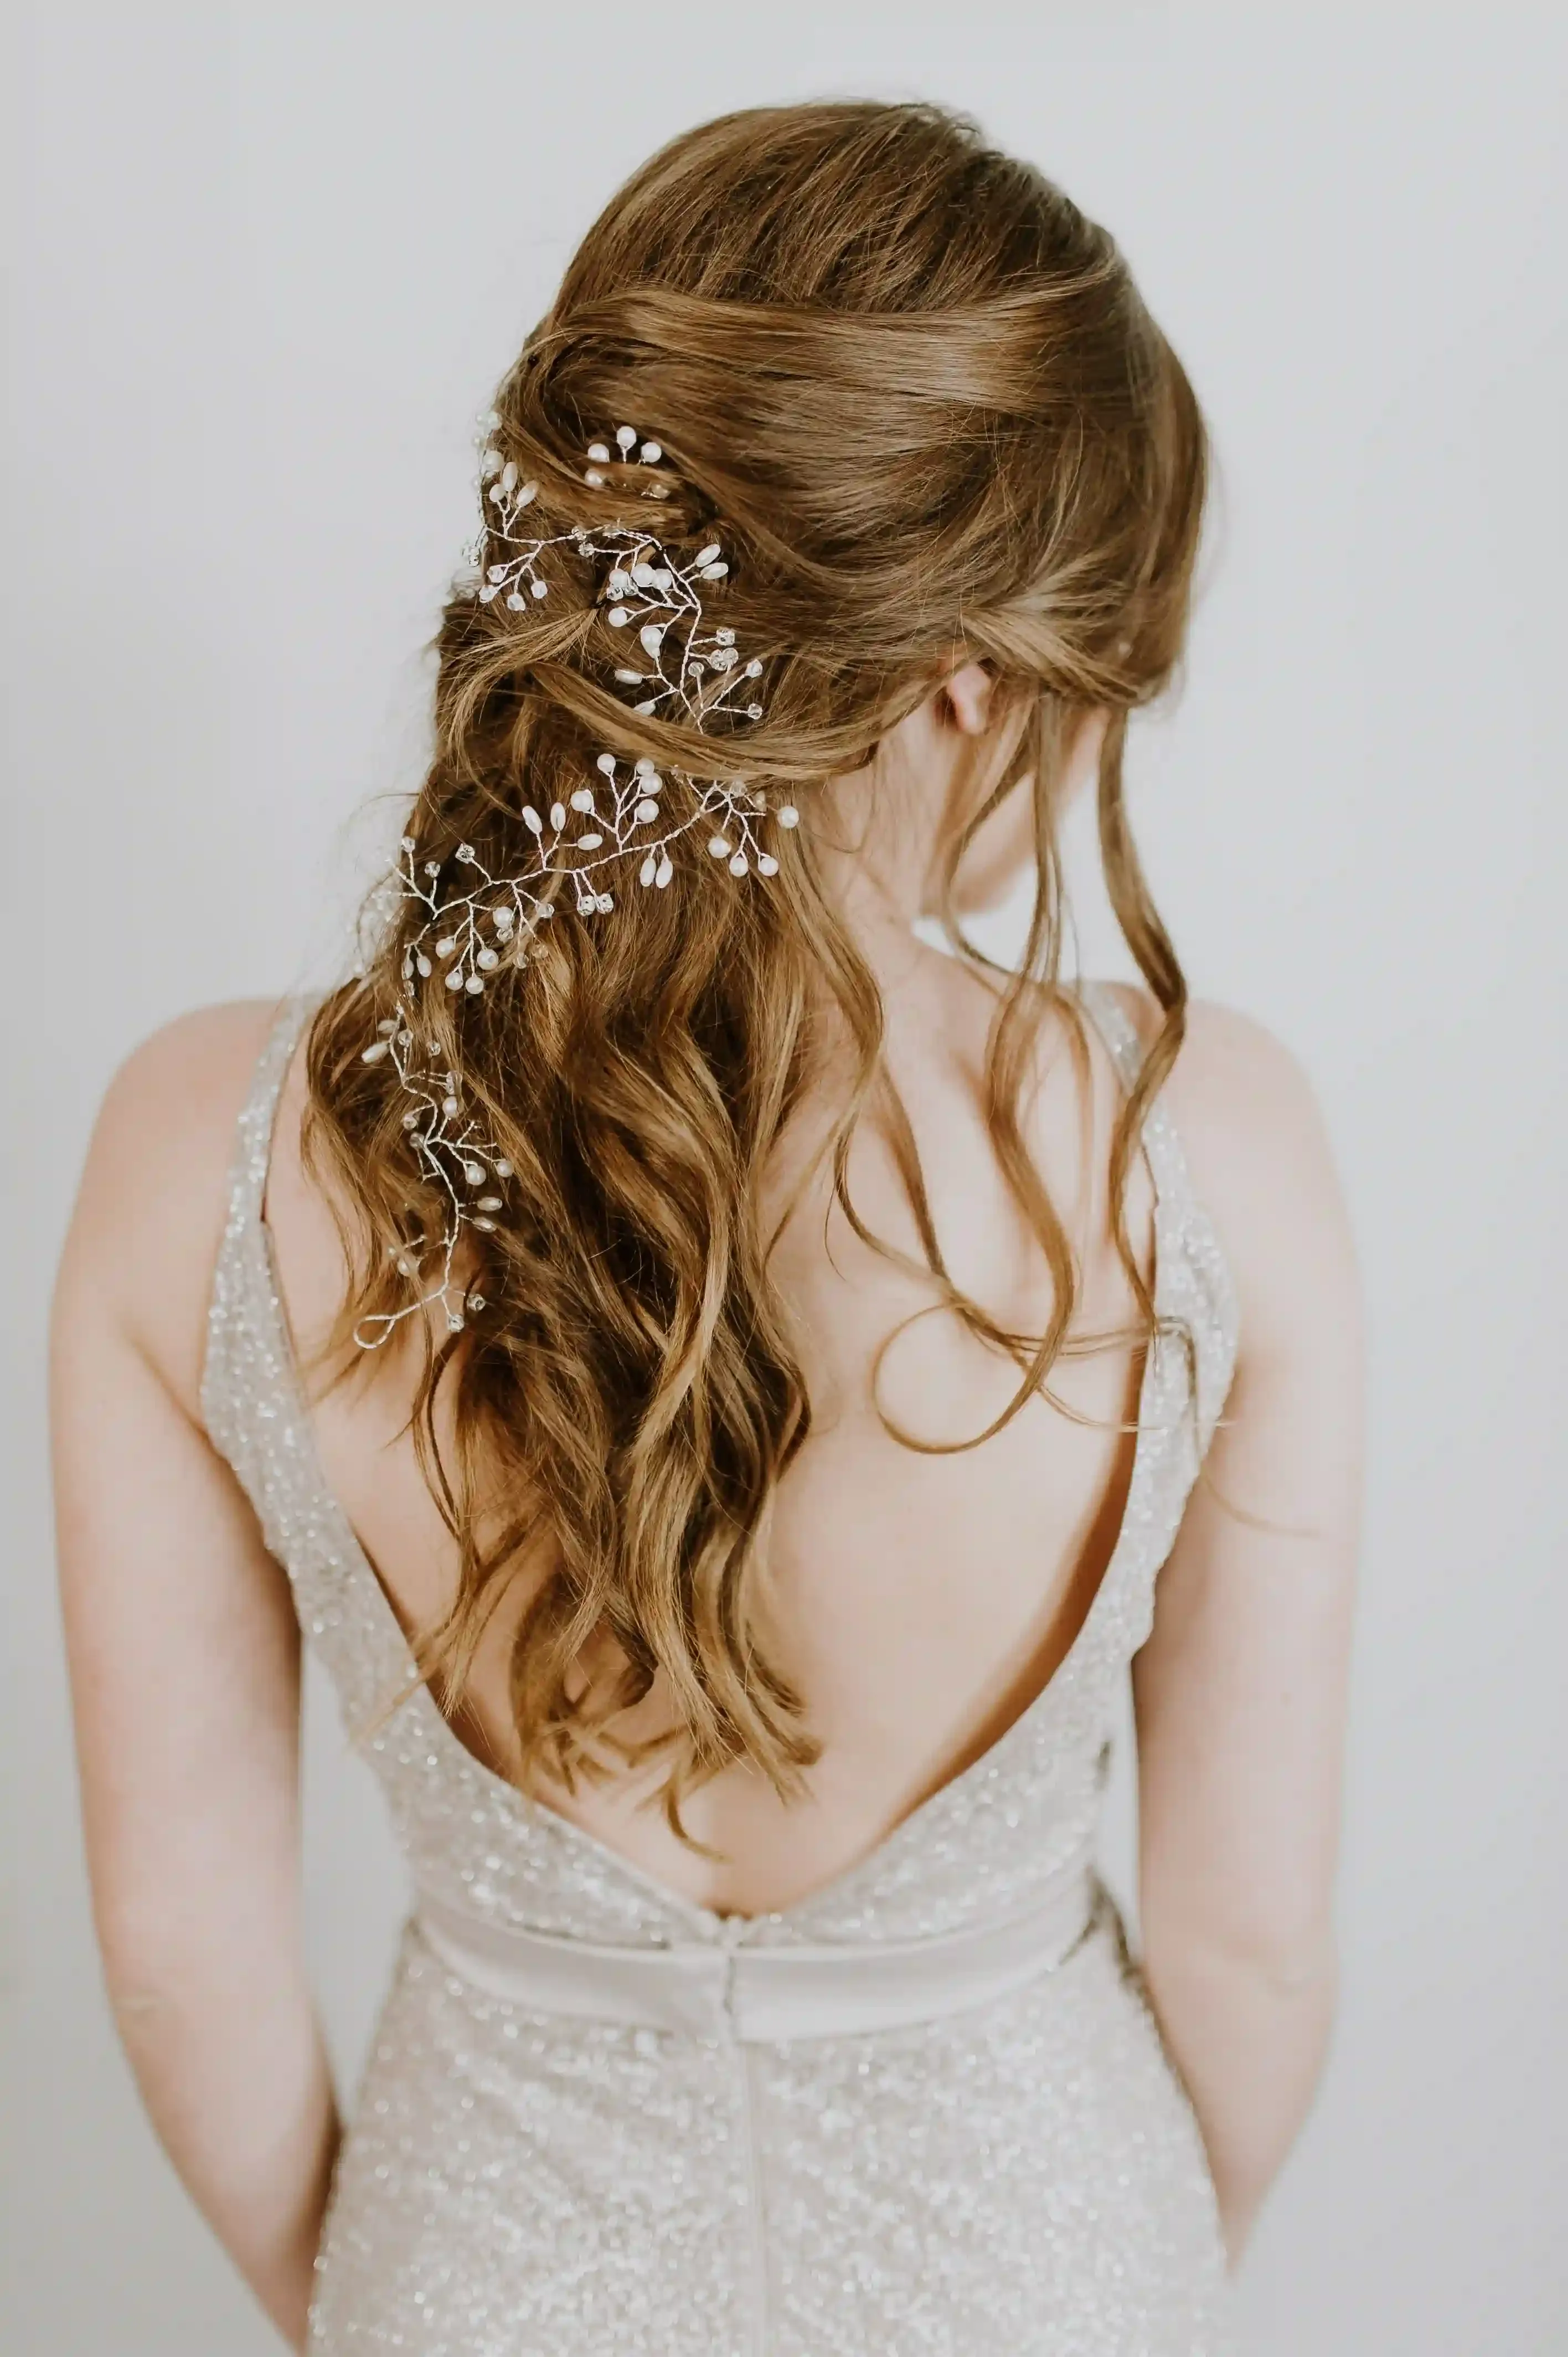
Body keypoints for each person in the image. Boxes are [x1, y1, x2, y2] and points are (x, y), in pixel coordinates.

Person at [50, 99, 1363, 2357]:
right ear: (972, 669)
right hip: (1049, 2270)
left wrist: (377, 2291)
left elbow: (180, 1948)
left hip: (481, 2277)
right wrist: (1111, 2256)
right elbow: (1247, 1946)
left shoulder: (198, 1144)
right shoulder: (1206, 1145)